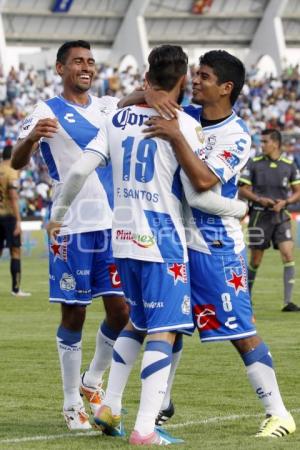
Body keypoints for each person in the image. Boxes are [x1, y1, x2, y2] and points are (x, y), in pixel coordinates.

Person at [47, 45, 248, 445]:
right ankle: (144, 429)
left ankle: (109, 405)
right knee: (166, 331)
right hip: (162, 241)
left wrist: (57, 213)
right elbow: (200, 195)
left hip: (121, 238)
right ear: (181, 78)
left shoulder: (116, 118)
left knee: (137, 321)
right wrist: (240, 206)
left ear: (147, 75)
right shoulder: (184, 126)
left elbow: (80, 170)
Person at [143, 50, 296, 438]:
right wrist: (150, 93)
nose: (195, 81)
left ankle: (279, 413)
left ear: (226, 88)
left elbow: (202, 182)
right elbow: (143, 99)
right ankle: (160, 403)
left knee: (239, 330)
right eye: (195, 75)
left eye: (205, 77)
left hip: (215, 247)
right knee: (170, 324)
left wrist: (177, 136)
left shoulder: (236, 134)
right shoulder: (186, 116)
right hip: (177, 241)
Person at [11, 40, 129, 430]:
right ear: (60, 68)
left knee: (122, 311)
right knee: (75, 313)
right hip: (71, 226)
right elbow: (16, 160)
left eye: (91, 62)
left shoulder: (108, 107)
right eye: (78, 61)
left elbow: (132, 105)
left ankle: (92, 380)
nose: (86, 67)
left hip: (111, 224)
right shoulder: (45, 110)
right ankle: (69, 404)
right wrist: (30, 139)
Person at [239, 129, 300, 312]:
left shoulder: (289, 165)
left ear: (275, 143)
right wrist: (260, 200)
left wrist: (286, 202)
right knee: (255, 260)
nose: (261, 145)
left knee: (288, 255)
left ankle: (288, 302)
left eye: (265, 141)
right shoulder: (254, 163)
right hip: (259, 216)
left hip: (281, 216)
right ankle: (246, 299)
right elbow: (243, 189)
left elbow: (297, 191)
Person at [0, 144, 31, 296]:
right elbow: (13, 196)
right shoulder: (12, 171)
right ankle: (16, 289)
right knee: (15, 252)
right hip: (9, 217)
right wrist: (18, 221)